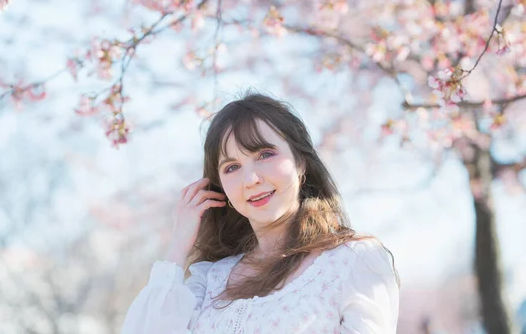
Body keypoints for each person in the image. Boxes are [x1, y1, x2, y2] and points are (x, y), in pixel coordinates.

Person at [121, 92, 400, 333]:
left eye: (265, 154)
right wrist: (178, 244)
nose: (251, 179)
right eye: (232, 167)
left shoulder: (352, 261)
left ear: (301, 162)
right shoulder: (211, 279)